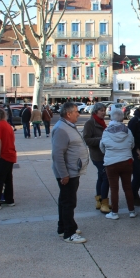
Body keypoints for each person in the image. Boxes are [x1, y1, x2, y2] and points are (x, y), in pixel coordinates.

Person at [52, 102, 89, 243]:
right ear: (68, 114)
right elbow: (57, 154)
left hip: (72, 171)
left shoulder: (67, 126)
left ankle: (63, 227)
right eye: (76, 112)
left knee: (64, 201)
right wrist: (64, 174)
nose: (78, 114)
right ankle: (69, 233)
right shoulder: (61, 129)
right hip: (68, 173)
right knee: (68, 202)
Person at [100, 108, 136, 220]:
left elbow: (102, 147)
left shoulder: (106, 131)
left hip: (111, 163)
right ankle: (132, 211)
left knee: (114, 188)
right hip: (126, 161)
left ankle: (114, 213)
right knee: (128, 187)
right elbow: (132, 145)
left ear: (111, 117)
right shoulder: (128, 131)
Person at [83, 103, 110, 213]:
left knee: (101, 177)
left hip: (104, 154)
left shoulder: (102, 122)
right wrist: (102, 139)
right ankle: (104, 202)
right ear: (95, 111)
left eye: (104, 110)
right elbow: (87, 140)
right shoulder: (90, 123)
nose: (104, 112)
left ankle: (99, 200)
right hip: (97, 155)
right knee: (106, 177)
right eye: (101, 110)